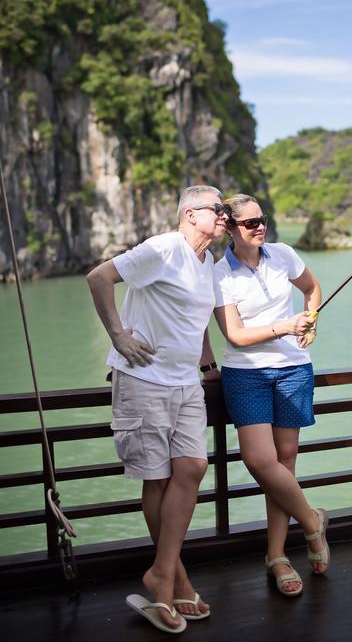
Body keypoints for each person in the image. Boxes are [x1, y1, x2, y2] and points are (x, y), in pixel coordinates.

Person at [87, 185, 227, 634]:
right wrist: (119, 336)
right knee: (159, 476)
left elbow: (198, 321)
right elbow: (98, 277)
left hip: (186, 382)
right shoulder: (164, 248)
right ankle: (174, 578)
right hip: (144, 378)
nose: (223, 215)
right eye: (217, 209)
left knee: (192, 467)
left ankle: (162, 573)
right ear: (190, 214)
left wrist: (208, 366)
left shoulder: (207, 262)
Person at [213, 194, 329, 598]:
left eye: (263, 219)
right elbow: (237, 335)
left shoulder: (283, 255)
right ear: (229, 228)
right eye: (249, 223)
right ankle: (313, 523)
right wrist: (284, 325)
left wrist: (310, 321)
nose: (259, 227)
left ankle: (277, 556)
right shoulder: (218, 274)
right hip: (246, 375)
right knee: (260, 461)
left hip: (294, 370)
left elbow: (312, 289)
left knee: (285, 465)